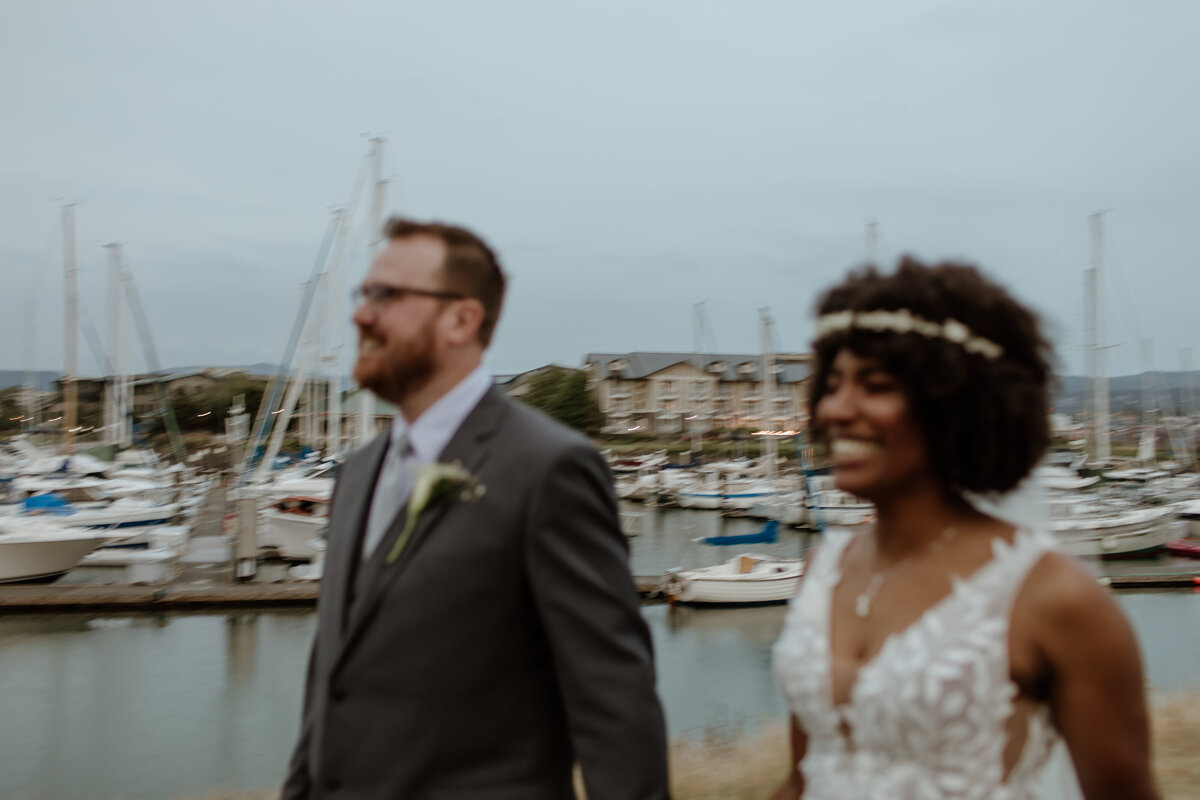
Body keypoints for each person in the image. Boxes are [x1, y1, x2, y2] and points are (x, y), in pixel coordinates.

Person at [283, 218, 669, 800]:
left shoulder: (549, 468)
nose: (362, 316)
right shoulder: (357, 473)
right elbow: (328, 686)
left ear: (462, 319)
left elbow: (615, 705)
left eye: (387, 296)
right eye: (364, 295)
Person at [771, 258, 1159, 799]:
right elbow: (803, 777)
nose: (837, 409)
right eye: (832, 384)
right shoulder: (821, 571)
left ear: (955, 406)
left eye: (875, 385)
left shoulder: (1055, 599)